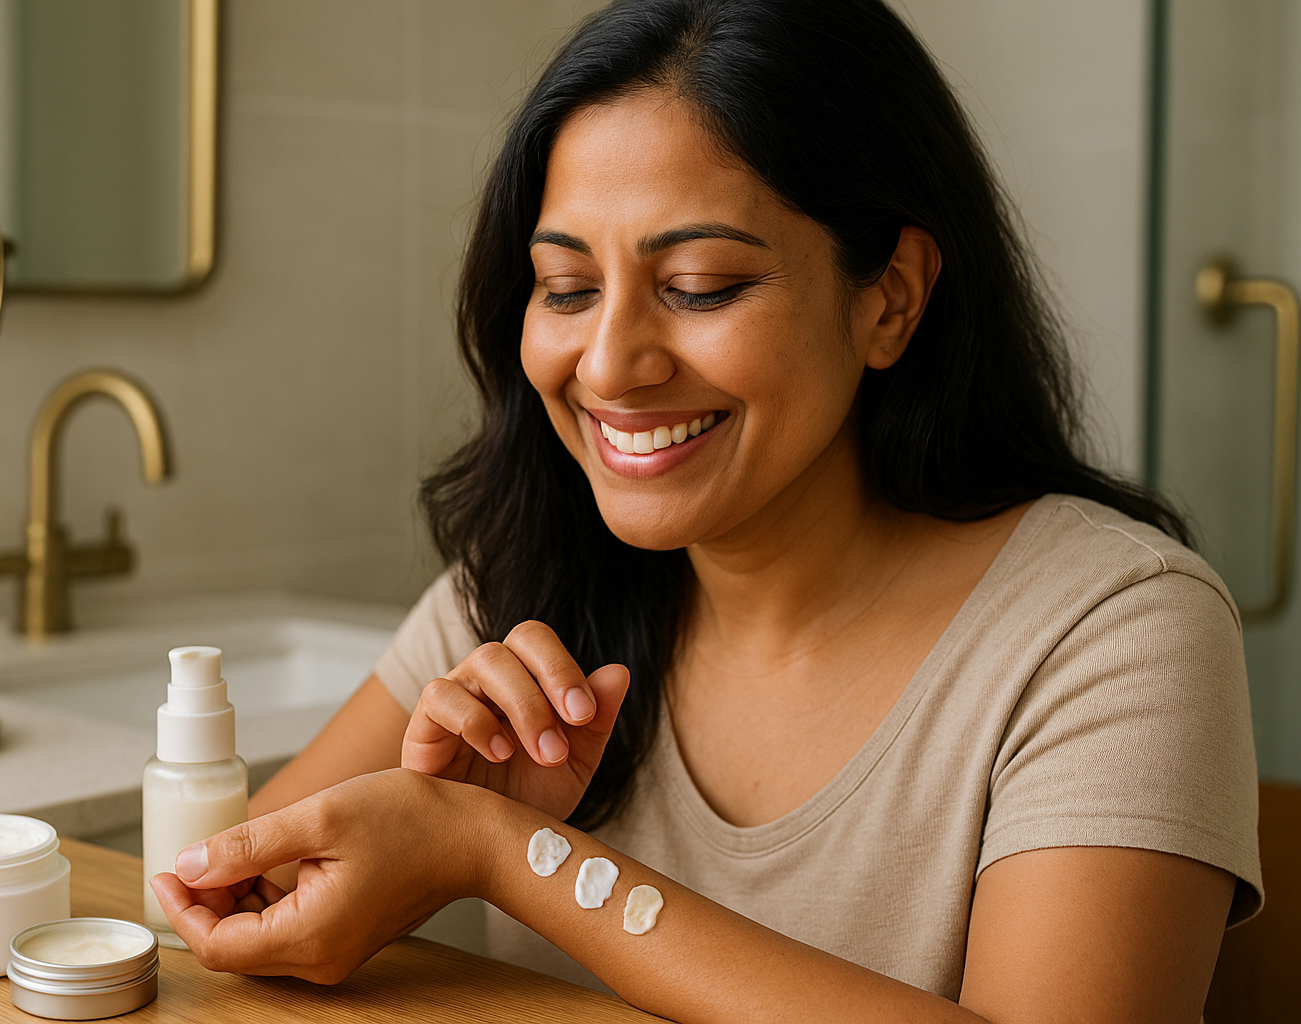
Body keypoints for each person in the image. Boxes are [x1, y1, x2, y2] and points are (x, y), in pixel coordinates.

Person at [151, 1, 1262, 1020]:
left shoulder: (1116, 632)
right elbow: (217, 910)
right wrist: (405, 832)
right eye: (568, 288)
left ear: (892, 299)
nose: (612, 364)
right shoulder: (520, 589)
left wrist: (504, 854)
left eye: (700, 288)